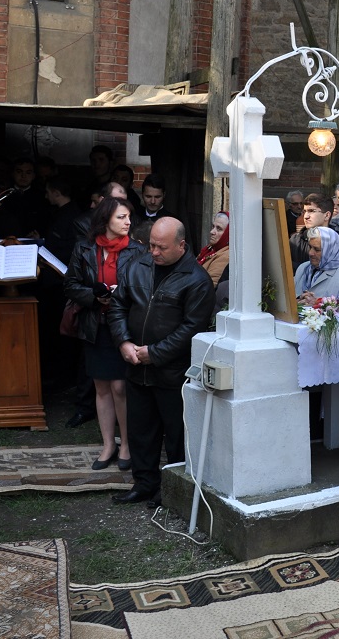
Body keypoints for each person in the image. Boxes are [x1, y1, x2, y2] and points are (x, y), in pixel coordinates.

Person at [108, 218, 215, 505]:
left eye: (161, 247)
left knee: (176, 436)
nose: (153, 252)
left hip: (172, 374)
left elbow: (192, 328)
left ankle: (171, 490)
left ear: (181, 245)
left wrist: (154, 353)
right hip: (135, 366)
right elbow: (118, 305)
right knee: (140, 431)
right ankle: (144, 483)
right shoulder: (138, 266)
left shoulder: (197, 279)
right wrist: (123, 341)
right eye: (151, 244)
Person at [64, 197, 145, 471]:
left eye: (128, 217)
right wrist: (94, 296)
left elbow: (144, 289)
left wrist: (118, 296)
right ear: (106, 220)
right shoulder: (84, 248)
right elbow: (71, 285)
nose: (128, 222)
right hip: (94, 325)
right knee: (101, 387)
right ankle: (108, 444)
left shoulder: (136, 251)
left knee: (120, 387)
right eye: (122, 217)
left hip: (123, 326)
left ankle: (127, 445)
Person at [295, 227, 339, 303]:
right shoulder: (302, 268)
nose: (310, 253)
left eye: (317, 249)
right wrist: (298, 299)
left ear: (331, 251)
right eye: (310, 247)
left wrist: (317, 302)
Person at [291, 193, 334, 270]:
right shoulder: (295, 240)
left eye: (311, 211)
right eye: (304, 211)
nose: (306, 216)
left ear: (327, 215)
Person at [196, 212, 230, 288]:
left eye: (219, 229)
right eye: (213, 227)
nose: (212, 232)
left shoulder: (226, 255)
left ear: (228, 233)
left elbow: (210, 286)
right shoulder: (210, 249)